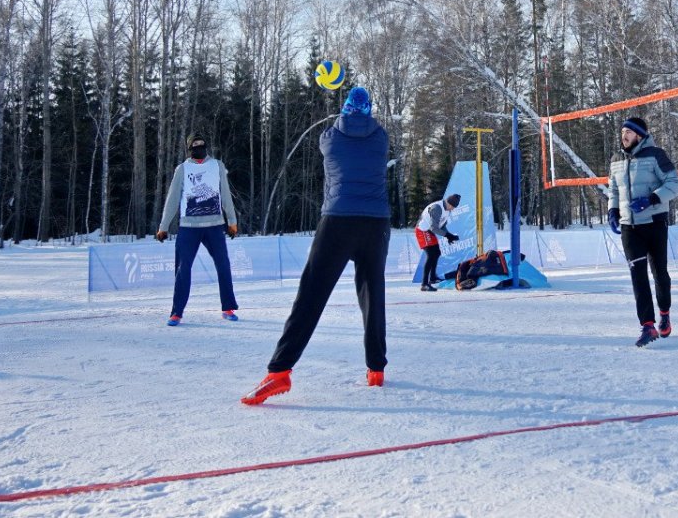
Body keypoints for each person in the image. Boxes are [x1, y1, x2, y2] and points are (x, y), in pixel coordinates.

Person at [242, 86, 391, 405]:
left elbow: (326, 134)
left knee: (311, 293)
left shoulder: (330, 138)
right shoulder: (381, 139)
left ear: (346, 110)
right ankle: (376, 369)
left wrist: (337, 114)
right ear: (369, 111)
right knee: (372, 293)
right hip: (376, 223)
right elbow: (367, 131)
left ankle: (279, 371)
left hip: (338, 220)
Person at [607, 116, 678, 347]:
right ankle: (648, 326)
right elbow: (613, 189)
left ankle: (665, 313)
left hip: (655, 222)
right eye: (622, 133)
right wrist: (612, 210)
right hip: (630, 227)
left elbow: (675, 183)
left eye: (628, 132)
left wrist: (651, 199)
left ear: (639, 135)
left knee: (659, 273)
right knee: (638, 275)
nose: (624, 136)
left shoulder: (656, 155)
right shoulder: (616, 159)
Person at [156, 133, 239, 325]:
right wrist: (163, 226)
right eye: (195, 145)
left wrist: (232, 221)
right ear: (189, 148)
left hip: (214, 226)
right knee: (183, 269)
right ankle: (176, 312)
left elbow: (225, 194)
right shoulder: (182, 169)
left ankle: (228, 307)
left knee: (223, 266)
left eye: (202, 144)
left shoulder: (217, 165)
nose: (199, 147)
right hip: (189, 227)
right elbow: (172, 199)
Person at [415, 194, 461, 291]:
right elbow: (434, 227)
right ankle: (424, 284)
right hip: (422, 230)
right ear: (447, 202)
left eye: (454, 207)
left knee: (436, 253)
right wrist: (447, 235)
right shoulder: (437, 208)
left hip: (429, 231)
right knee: (431, 254)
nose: (452, 209)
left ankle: (432, 278)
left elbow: (442, 226)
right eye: (452, 206)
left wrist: (449, 236)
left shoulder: (447, 210)